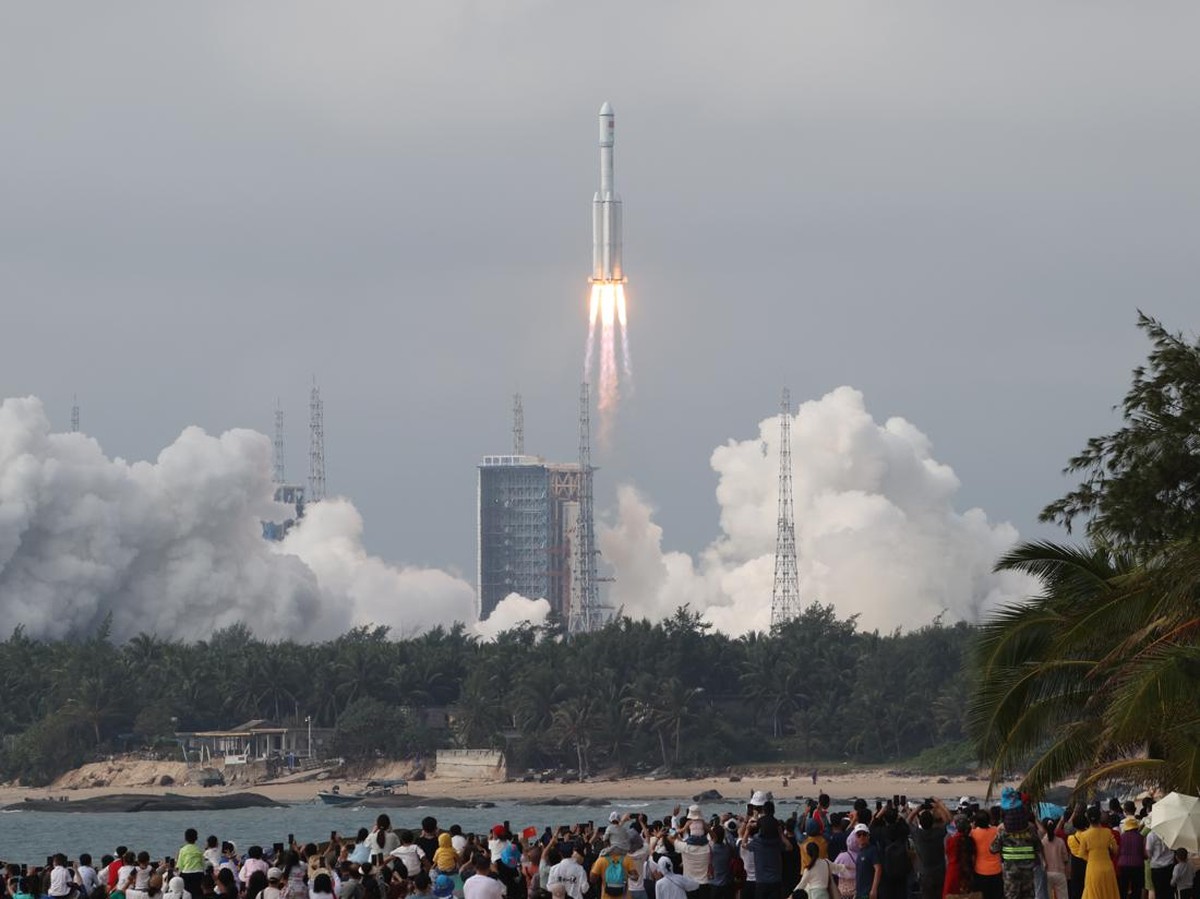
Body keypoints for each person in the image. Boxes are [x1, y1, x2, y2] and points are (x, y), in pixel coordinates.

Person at [1075, 808, 1118, 899]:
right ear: (1100, 818)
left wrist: (1091, 859)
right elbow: (1115, 850)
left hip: (1093, 869)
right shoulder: (1108, 832)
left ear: (1088, 819)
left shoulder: (1084, 835)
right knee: (1109, 893)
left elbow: (1081, 854)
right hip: (1108, 868)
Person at [1114, 819, 1144, 899]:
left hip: (1123, 865)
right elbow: (1143, 853)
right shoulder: (1140, 837)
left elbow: (1117, 851)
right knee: (1136, 889)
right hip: (1137, 865)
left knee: (1123, 889)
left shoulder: (1122, 837)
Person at [850, 825, 881, 899]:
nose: (862, 837)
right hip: (860, 892)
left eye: (864, 834)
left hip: (867, 891)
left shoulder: (872, 850)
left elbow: (878, 869)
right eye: (859, 835)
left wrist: (874, 889)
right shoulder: (860, 852)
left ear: (868, 836)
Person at [1145, 827, 1175, 899]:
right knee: (1169, 891)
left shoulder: (1151, 835)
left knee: (1159, 892)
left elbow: (1149, 852)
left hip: (1157, 867)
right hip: (1170, 865)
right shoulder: (1171, 832)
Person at [1041, 822, 1069, 899]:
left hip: (1047, 873)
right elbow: (1065, 858)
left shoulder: (1042, 842)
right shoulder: (1060, 841)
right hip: (1060, 872)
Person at [180, 830, 207, 899]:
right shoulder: (199, 850)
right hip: (198, 874)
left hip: (186, 875)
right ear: (196, 838)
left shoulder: (182, 850)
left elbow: (180, 866)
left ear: (185, 838)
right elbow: (203, 865)